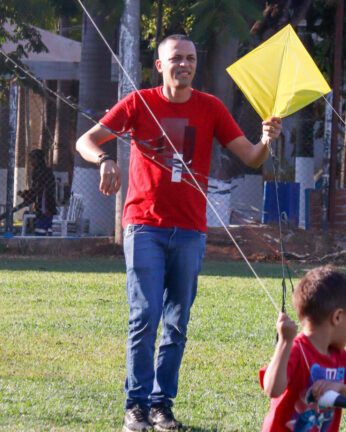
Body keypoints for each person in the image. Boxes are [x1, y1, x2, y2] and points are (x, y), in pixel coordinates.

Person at [75, 34, 282, 432]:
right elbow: (86, 140)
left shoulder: (212, 107)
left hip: (189, 231)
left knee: (176, 322)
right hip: (144, 227)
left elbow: (252, 156)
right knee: (145, 316)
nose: (184, 64)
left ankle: (161, 406)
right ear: (160, 64)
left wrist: (267, 140)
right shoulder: (139, 102)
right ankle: (134, 406)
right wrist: (104, 160)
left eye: (190, 58)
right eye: (176, 59)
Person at [260, 266, 346, 432]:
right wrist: (284, 342)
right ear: (338, 317)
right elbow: (272, 389)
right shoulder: (295, 349)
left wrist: (340, 388)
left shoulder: (342, 358)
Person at [18, 149, 57, 235]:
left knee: (42, 226)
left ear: (38, 159)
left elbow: (44, 190)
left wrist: (45, 207)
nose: (31, 161)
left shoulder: (42, 171)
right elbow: (36, 189)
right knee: (44, 225)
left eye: (33, 159)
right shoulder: (38, 170)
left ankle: (43, 240)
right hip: (42, 202)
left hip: (45, 202)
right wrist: (27, 194)